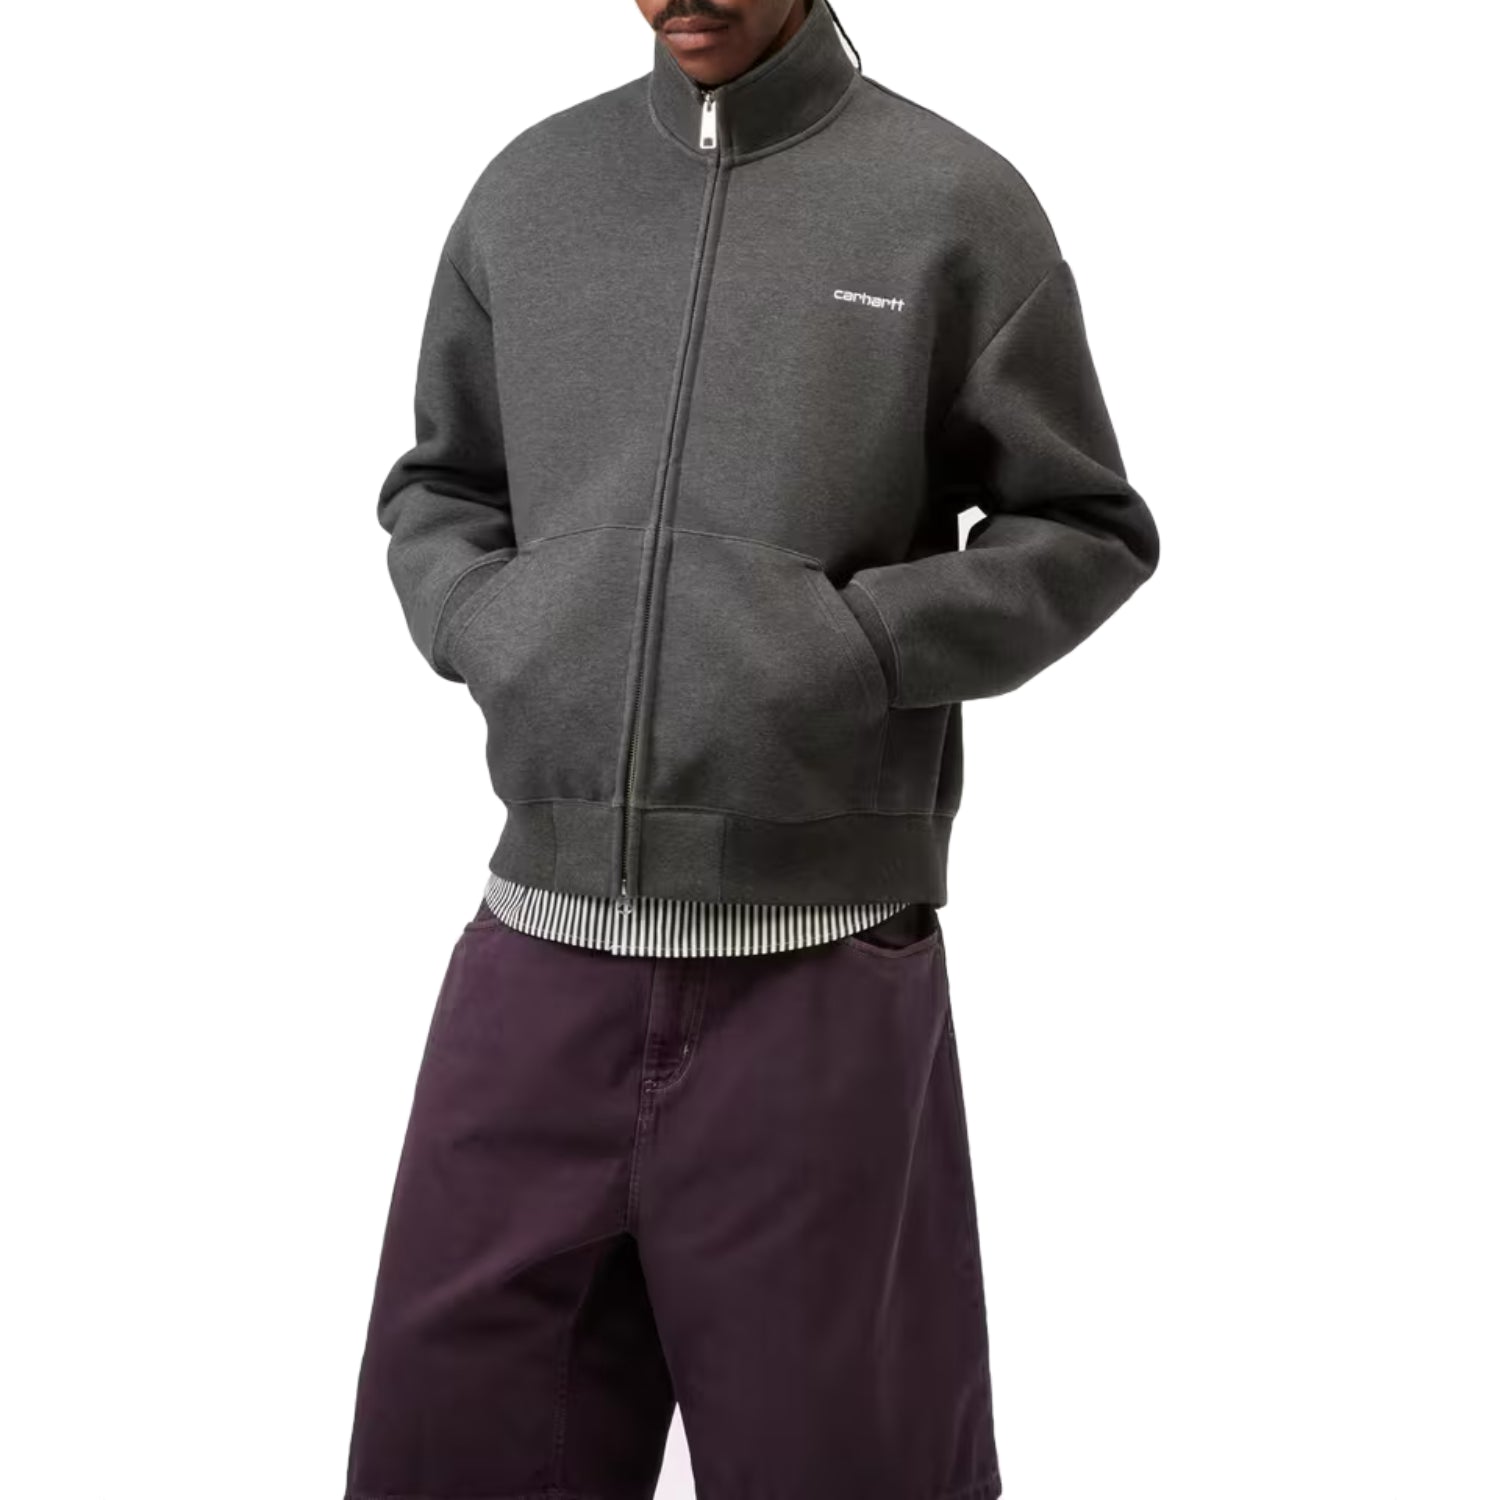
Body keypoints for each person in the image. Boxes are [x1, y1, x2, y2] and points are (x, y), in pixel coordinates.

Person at [345, 1, 1159, 1496]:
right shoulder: (531, 193)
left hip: (817, 977)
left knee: (844, 1464)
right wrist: (490, 620)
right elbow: (444, 484)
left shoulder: (949, 202)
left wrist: (856, 647)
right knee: (448, 1456)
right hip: (534, 969)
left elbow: (1082, 526)